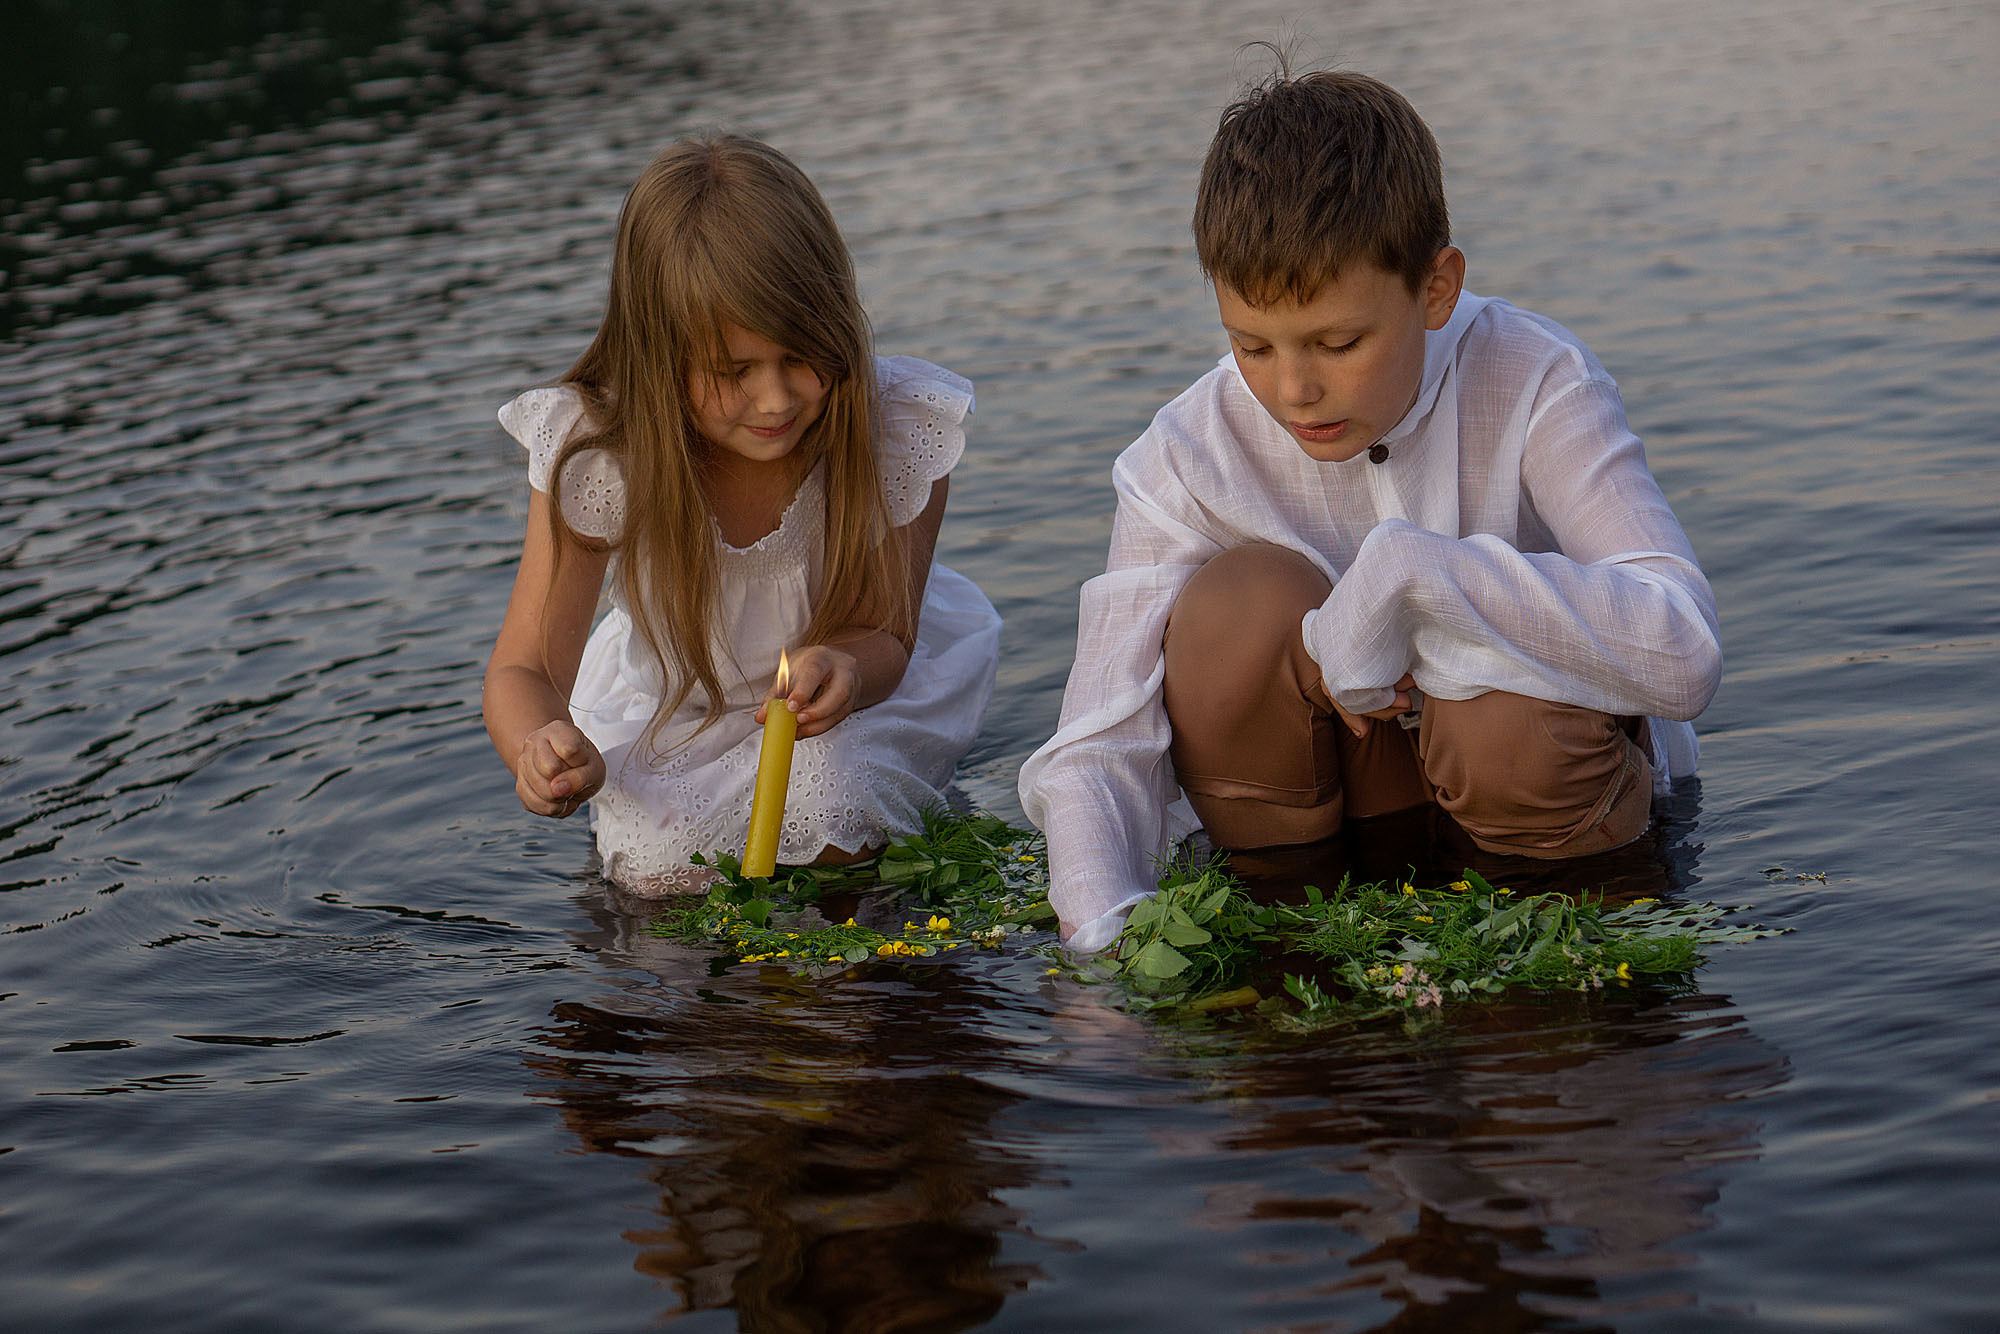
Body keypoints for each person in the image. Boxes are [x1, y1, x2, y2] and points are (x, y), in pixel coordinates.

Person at [1018, 70, 1721, 951]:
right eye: (1251, 345)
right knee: (1237, 606)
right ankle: (1293, 930)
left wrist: (1417, 573)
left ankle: (1556, 954)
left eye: (1339, 342)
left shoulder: (1535, 378)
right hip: (1333, 802)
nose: (1294, 389)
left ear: (1437, 289)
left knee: (1502, 718)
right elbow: (1099, 741)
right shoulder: (1189, 452)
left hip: (1539, 802)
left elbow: (1684, 650)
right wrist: (1102, 948)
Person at [484, 134, 999, 892]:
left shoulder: (892, 427)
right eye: (734, 371)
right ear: (658, 360)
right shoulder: (603, 455)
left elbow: (886, 631)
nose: (776, 399)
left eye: (801, 356)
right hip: (676, 709)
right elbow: (524, 668)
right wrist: (539, 746)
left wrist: (849, 663)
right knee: (663, 879)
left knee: (839, 815)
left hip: (842, 707)